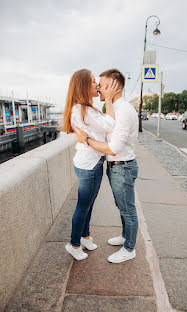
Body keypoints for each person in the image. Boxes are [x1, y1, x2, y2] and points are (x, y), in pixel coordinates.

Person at [75, 69, 139, 264]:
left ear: (114, 86)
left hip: (123, 166)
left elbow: (112, 148)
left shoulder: (124, 110)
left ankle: (129, 249)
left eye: (101, 85)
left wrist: (85, 139)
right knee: (122, 206)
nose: (98, 89)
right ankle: (125, 236)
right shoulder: (115, 108)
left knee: (127, 209)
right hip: (116, 167)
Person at [62, 69, 120, 261]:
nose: (97, 85)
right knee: (83, 206)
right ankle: (74, 244)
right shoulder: (82, 109)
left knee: (88, 204)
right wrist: (110, 99)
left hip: (90, 162)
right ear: (84, 86)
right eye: (94, 82)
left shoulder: (84, 108)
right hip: (89, 165)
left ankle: (85, 237)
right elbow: (111, 126)